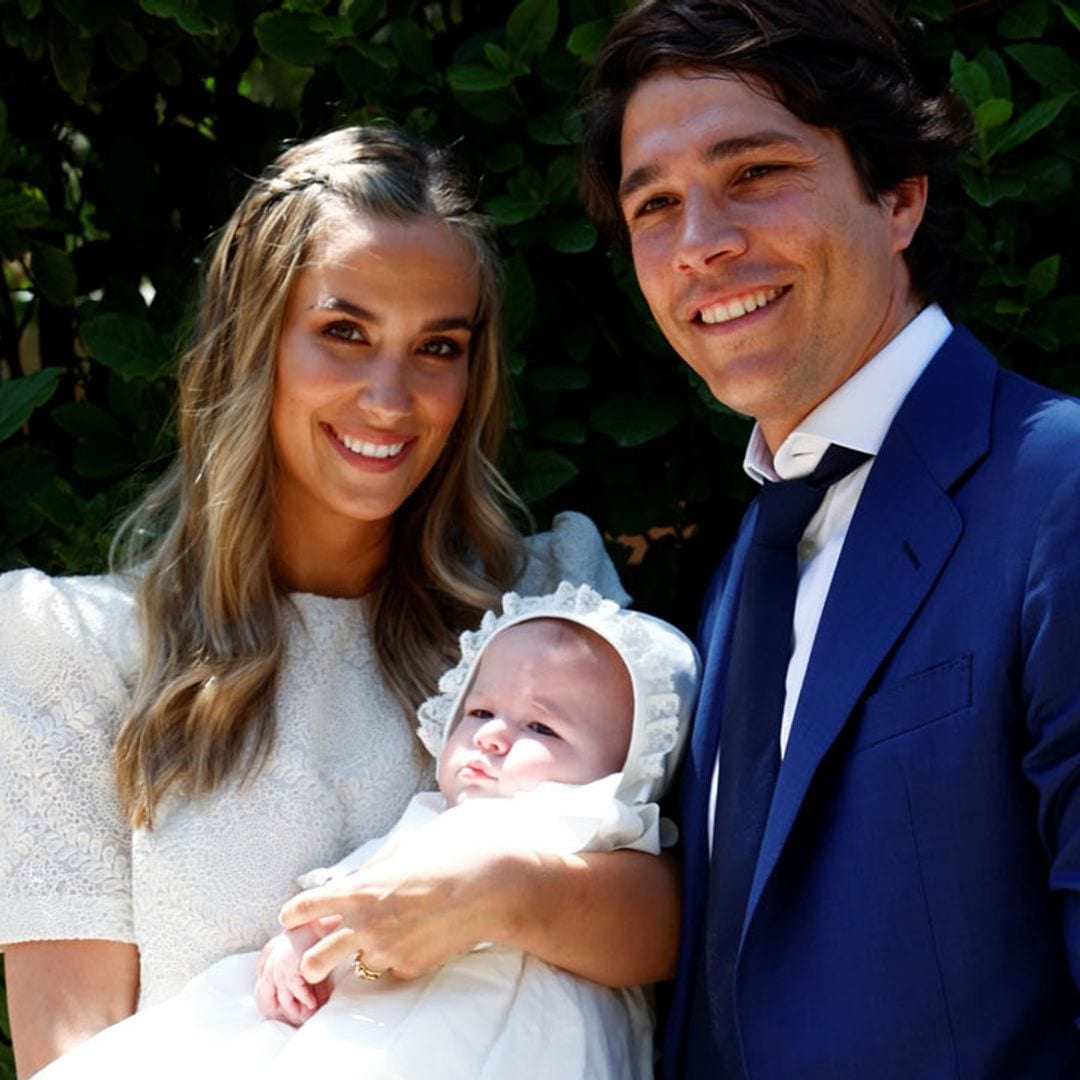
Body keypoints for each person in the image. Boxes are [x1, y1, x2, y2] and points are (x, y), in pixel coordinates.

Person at [0, 126, 682, 1078]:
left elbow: (669, 925)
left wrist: (497, 895)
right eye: (344, 333)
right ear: (254, 343)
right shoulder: (72, 651)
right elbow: (69, 1052)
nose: (390, 397)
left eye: (437, 347)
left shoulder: (544, 611)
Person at [580, 2, 1080, 1077]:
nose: (701, 245)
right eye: (654, 205)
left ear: (898, 198)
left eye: (754, 173)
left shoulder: (1059, 489)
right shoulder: (752, 563)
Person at [33, 582, 701, 1080]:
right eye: (481, 710)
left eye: (542, 728)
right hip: (395, 1023)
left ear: (629, 766)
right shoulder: (432, 818)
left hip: (526, 1035)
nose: (495, 736)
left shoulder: (589, 822)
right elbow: (365, 882)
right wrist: (303, 937)